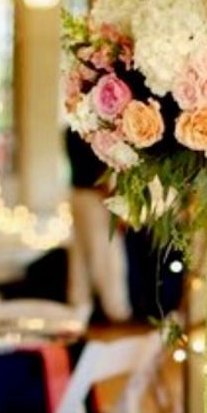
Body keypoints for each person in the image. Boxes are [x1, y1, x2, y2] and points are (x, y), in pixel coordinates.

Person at [66, 131, 131, 323]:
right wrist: (114, 203)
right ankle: (116, 309)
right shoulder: (95, 131)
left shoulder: (72, 131)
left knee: (80, 255)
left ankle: (79, 306)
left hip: (77, 194)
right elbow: (98, 172)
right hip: (94, 197)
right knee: (107, 255)